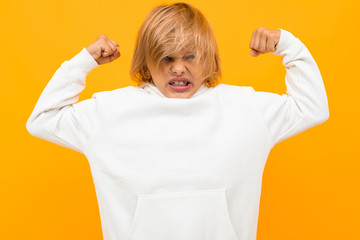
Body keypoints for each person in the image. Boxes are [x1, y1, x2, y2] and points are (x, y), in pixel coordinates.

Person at [26, 2, 329, 240]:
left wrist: (288, 47)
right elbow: (42, 119)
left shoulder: (245, 108)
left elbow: (312, 108)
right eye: (167, 58)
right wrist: (83, 61)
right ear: (146, 61)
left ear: (209, 58)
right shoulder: (111, 112)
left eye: (190, 57)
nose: (179, 69)